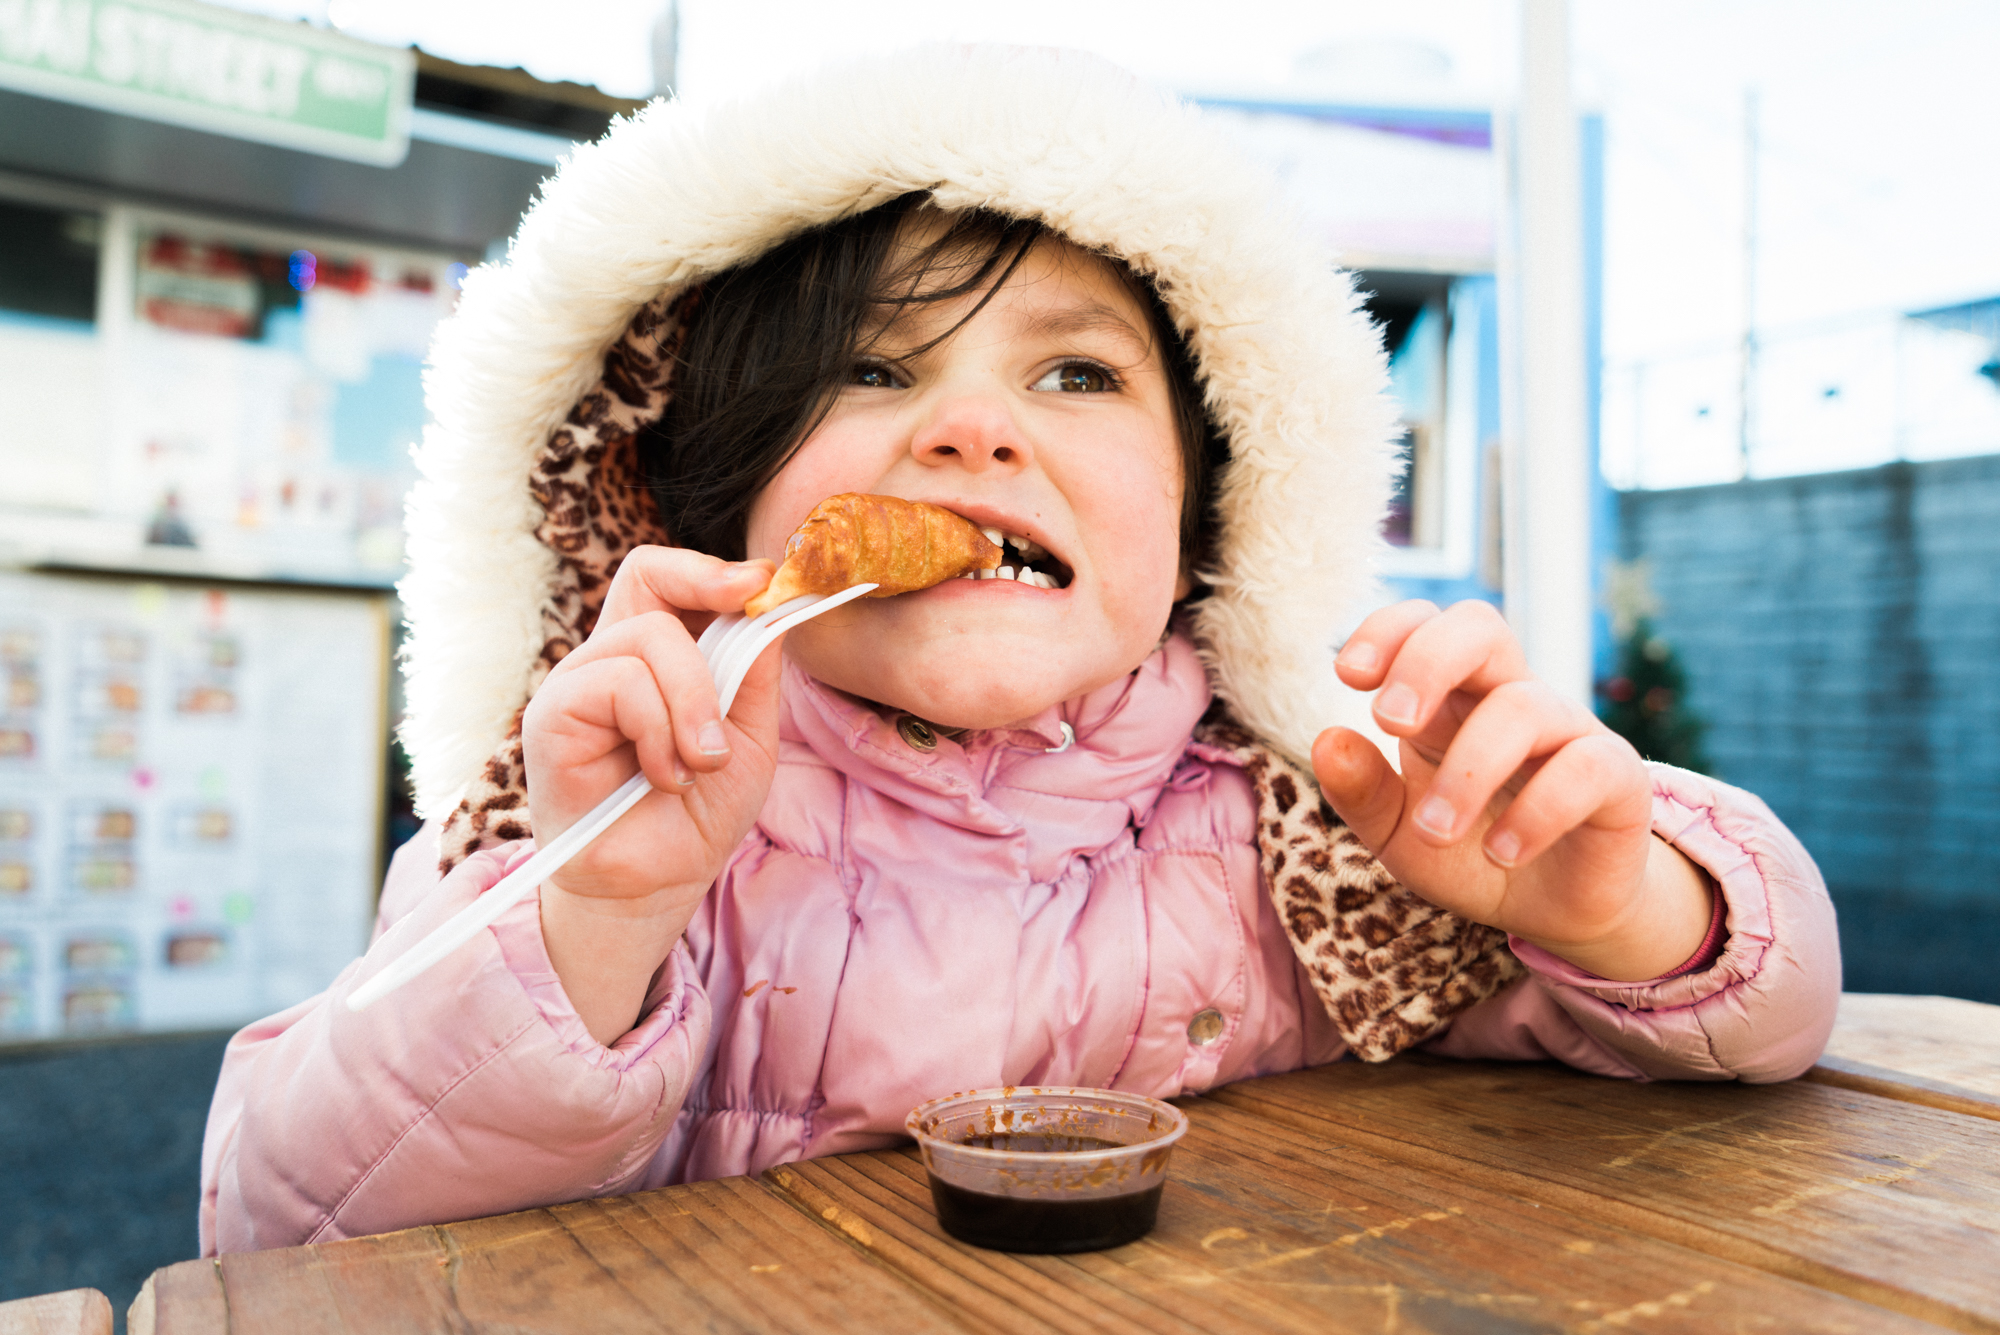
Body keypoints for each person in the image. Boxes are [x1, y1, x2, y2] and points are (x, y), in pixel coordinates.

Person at [199, 46, 1839, 1255]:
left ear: (1213, 519)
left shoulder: (1312, 839)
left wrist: (1620, 906)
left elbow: (1765, 1034)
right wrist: (598, 909)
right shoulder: (600, 819)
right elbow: (285, 1216)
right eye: (870, 374)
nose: (976, 430)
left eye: (1076, 379)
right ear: (701, 501)